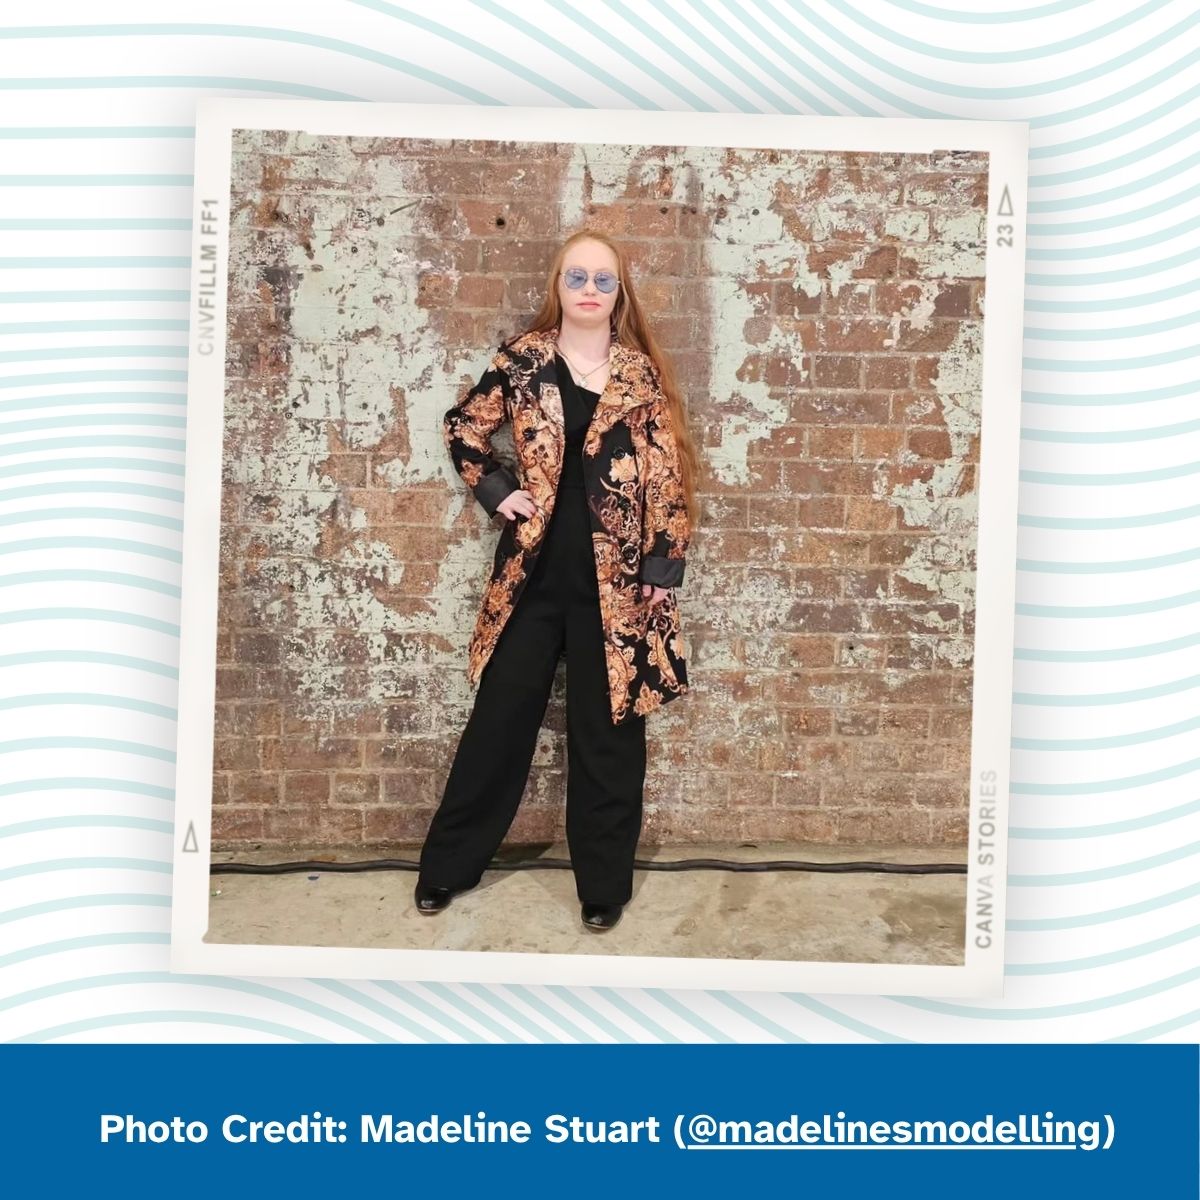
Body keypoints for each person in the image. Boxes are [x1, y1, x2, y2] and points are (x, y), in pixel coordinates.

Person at [415, 230, 699, 932]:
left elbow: (668, 477)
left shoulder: (639, 377)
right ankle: (446, 868)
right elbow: (463, 429)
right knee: (499, 722)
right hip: (533, 575)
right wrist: (497, 491)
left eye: (604, 279)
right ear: (559, 286)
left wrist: (662, 566)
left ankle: (603, 886)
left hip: (619, 587)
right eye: (578, 276)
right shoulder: (523, 361)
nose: (590, 290)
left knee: (608, 735)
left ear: (618, 293)